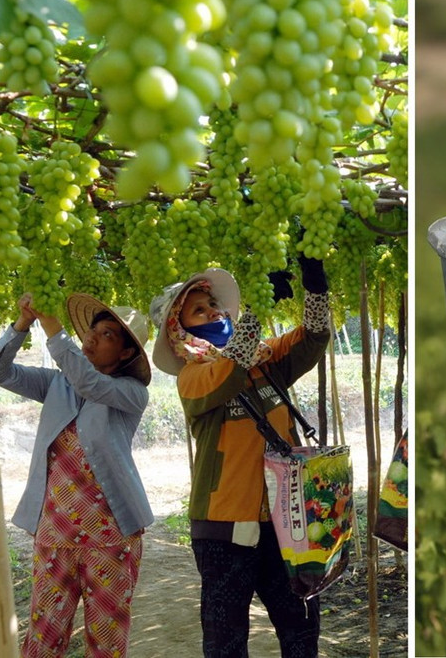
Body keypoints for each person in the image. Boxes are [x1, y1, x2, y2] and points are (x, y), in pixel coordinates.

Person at [148, 259, 331, 658]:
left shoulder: (267, 363)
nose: (214, 312)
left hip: (286, 523)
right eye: (200, 310)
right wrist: (258, 311)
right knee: (226, 640)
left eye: (214, 304)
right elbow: (231, 369)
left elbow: (314, 337)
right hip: (223, 530)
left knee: (302, 627)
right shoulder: (193, 378)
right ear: (181, 329)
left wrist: (315, 287)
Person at [0, 292, 153, 657]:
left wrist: (53, 329)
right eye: (92, 330)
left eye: (108, 335)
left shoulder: (130, 393)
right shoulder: (55, 384)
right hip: (54, 534)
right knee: (44, 639)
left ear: (127, 354)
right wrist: (22, 324)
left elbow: (90, 384)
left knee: (106, 644)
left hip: (111, 538)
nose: (93, 338)